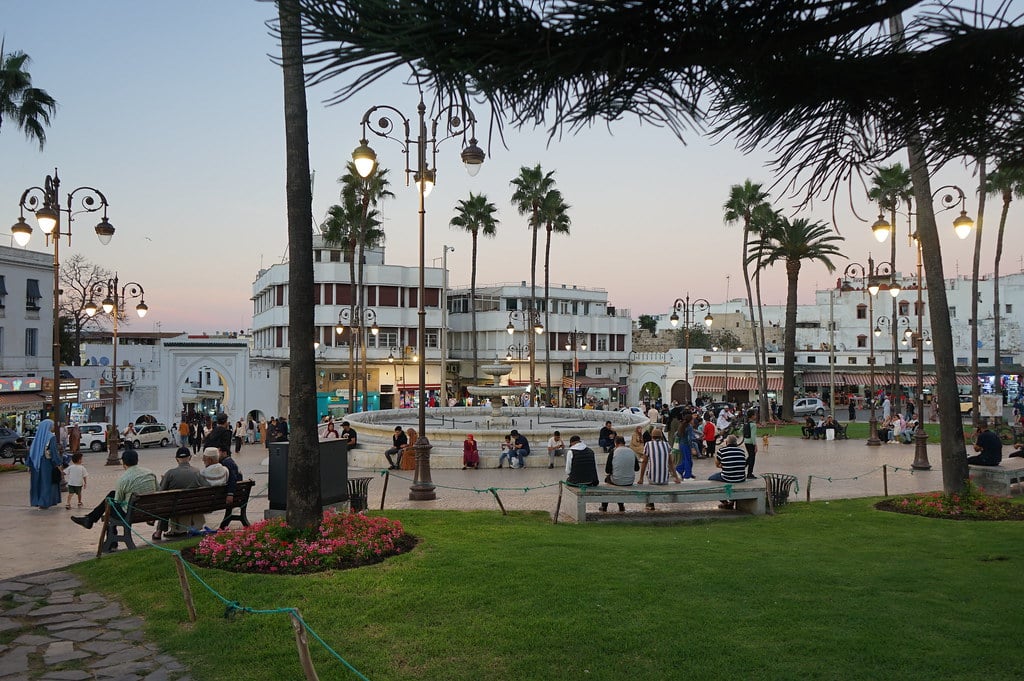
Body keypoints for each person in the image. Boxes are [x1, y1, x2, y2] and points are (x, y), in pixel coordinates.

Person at [71, 449, 158, 530]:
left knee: (110, 502)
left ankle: (93, 522)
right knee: (112, 494)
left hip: (131, 513)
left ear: (123, 462)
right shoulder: (149, 473)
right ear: (137, 460)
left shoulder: (124, 479)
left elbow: (117, 500)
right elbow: (158, 490)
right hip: (149, 511)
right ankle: (89, 519)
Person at [152, 447, 209, 540]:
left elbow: (161, 492)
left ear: (176, 459)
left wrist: (164, 480)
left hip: (175, 507)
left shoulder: (170, 473)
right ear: (190, 458)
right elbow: (206, 486)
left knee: (165, 503)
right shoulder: (197, 471)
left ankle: (158, 532)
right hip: (193, 505)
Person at [28, 418, 64, 510]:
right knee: (46, 483)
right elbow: (53, 452)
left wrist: (29, 465)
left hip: (35, 465)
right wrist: (58, 463)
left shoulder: (37, 438)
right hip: (47, 464)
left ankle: (37, 501)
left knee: (37, 483)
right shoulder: (51, 437)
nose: (53, 426)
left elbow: (31, 453)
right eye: (52, 425)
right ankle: (44, 502)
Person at [601, 435, 639, 512]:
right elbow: (637, 468)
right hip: (630, 481)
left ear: (615, 443)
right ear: (624, 443)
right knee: (616, 478)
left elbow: (607, 470)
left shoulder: (613, 452)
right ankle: (621, 505)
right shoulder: (631, 451)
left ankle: (604, 506)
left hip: (617, 480)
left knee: (607, 480)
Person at [639, 428, 672, 510]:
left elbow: (644, 462)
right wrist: (676, 477)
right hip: (665, 480)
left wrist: (641, 478)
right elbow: (671, 463)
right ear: (661, 437)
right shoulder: (667, 445)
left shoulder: (648, 444)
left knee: (649, 471)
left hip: (652, 480)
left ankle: (650, 503)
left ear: (651, 436)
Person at [742, 410, 758, 479]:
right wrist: (755, 445)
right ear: (752, 416)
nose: (756, 416)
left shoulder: (746, 424)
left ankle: (743, 466)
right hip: (751, 442)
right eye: (755, 415)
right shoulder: (753, 425)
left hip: (746, 441)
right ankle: (749, 473)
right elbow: (753, 436)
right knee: (752, 458)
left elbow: (741, 430)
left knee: (750, 456)